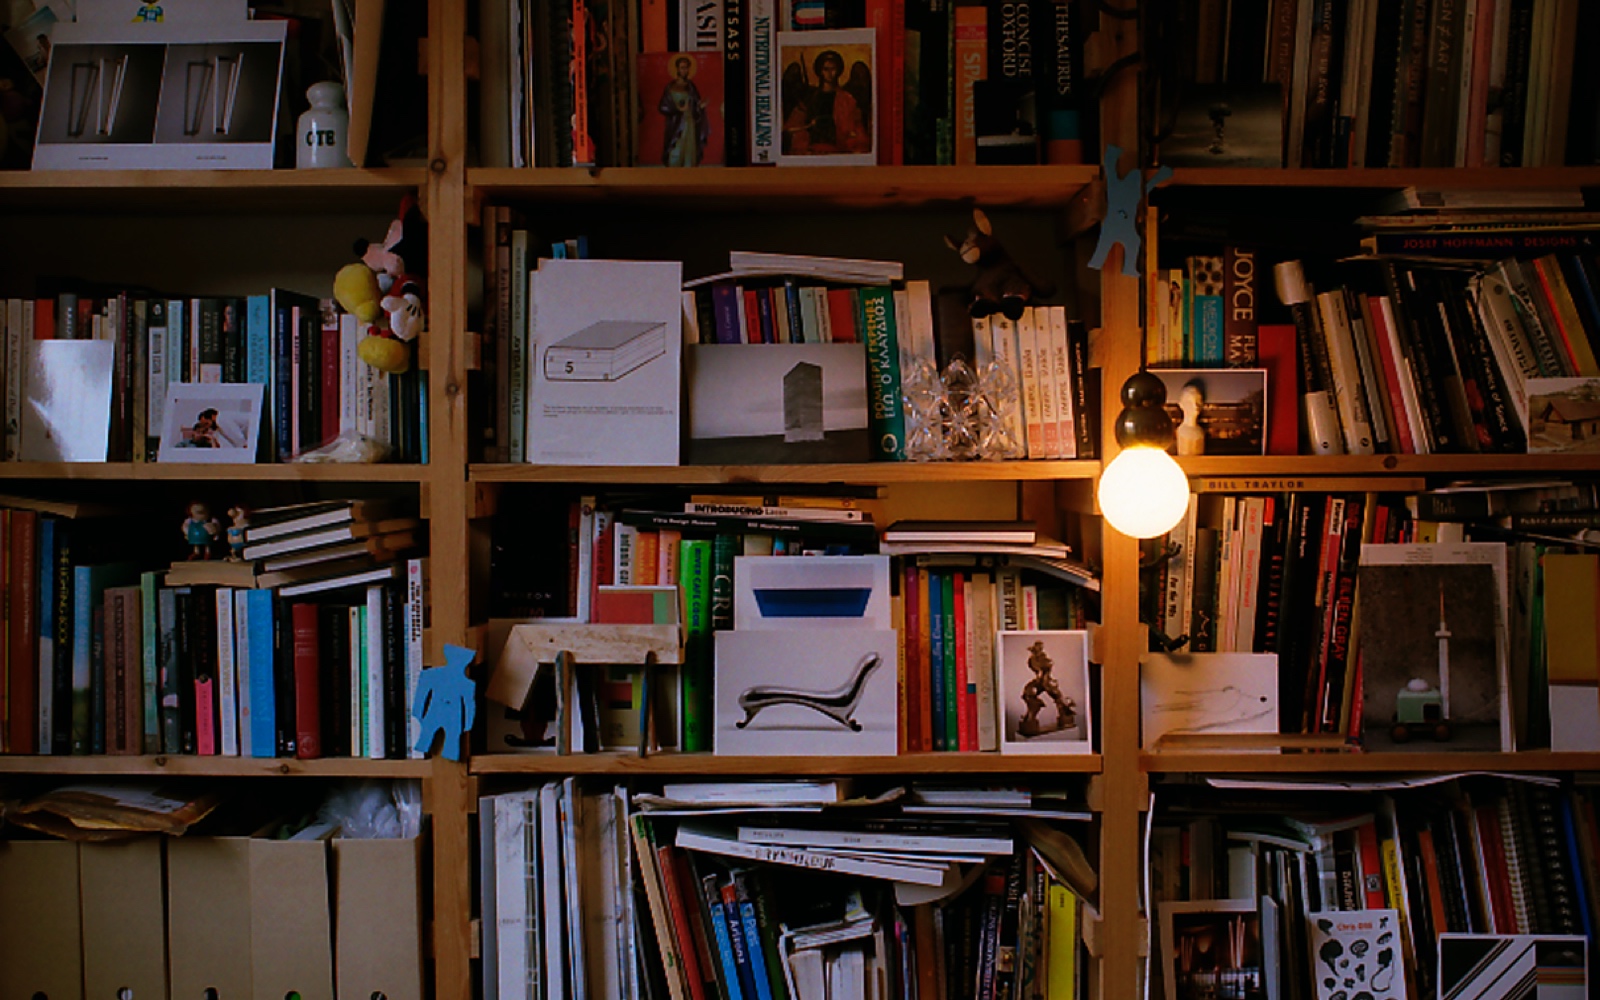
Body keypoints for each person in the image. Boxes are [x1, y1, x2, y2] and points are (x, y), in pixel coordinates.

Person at [783, 49, 869, 155]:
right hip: (811, 151)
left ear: (838, 71)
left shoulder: (847, 99)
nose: (829, 73)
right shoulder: (809, 98)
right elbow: (791, 126)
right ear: (820, 71)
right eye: (826, 69)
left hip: (839, 150)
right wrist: (807, 126)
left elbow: (857, 128)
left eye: (833, 69)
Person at [658, 55, 707, 167]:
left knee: (689, 152)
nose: (684, 70)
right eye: (682, 68)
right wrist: (678, 109)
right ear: (677, 69)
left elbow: (695, 104)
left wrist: (700, 107)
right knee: (675, 150)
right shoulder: (670, 86)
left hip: (690, 124)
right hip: (676, 124)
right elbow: (663, 106)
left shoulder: (691, 87)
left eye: (686, 68)